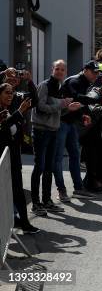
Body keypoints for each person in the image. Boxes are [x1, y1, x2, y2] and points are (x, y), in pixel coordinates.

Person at [31, 60, 82, 216]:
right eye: (57, 69)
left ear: (65, 72)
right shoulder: (45, 86)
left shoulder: (59, 87)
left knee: (48, 168)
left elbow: (55, 111)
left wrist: (68, 108)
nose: (59, 72)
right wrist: (62, 104)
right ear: (52, 70)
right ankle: (35, 203)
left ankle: (47, 201)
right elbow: (40, 107)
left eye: (62, 69)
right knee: (39, 167)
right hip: (41, 131)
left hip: (53, 130)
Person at [54, 60, 100, 201]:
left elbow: (78, 104)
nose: (96, 75)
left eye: (97, 72)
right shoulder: (75, 80)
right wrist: (98, 101)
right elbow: (76, 98)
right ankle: (61, 191)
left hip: (71, 122)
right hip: (61, 122)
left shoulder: (84, 82)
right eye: (93, 72)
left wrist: (83, 115)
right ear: (85, 70)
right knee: (58, 159)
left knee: (74, 156)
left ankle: (78, 188)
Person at [0, 83, 38, 233]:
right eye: (6, 93)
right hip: (3, 161)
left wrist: (30, 83)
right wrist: (20, 112)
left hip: (14, 159)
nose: (10, 95)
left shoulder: (8, 110)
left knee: (18, 193)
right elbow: (2, 130)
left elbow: (34, 99)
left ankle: (24, 223)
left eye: (12, 93)